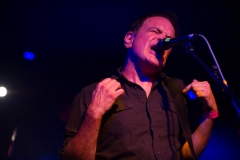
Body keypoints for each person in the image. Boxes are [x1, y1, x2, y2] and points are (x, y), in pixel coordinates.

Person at [58, 10, 219, 160]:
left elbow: (186, 154)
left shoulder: (177, 89)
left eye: (170, 38)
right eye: (156, 31)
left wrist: (209, 114)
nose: (164, 40)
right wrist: (94, 113)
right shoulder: (93, 92)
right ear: (129, 39)